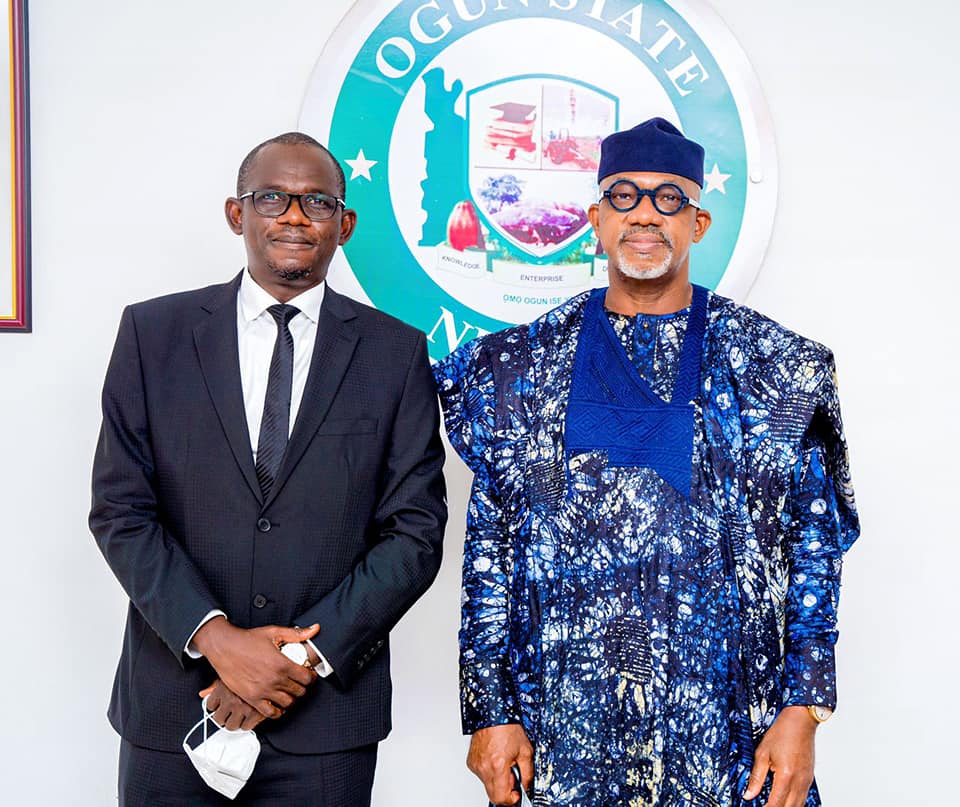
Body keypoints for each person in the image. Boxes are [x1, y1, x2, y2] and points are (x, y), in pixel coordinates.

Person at [433, 118, 859, 807]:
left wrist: (803, 711)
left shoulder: (774, 367)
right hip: (563, 729)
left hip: (730, 730)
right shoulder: (518, 367)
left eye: (668, 199)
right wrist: (489, 708)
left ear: (698, 222)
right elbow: (491, 551)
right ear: (596, 220)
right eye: (625, 196)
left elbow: (815, 554)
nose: (645, 215)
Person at [90, 131, 447, 806]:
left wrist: (293, 660)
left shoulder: (395, 354)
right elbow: (121, 510)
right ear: (238, 213)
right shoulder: (152, 335)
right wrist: (217, 638)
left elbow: (415, 534)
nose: (294, 216)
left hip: (324, 724)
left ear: (345, 224)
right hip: (174, 710)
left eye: (317, 202)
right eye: (272, 198)